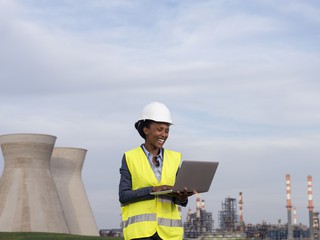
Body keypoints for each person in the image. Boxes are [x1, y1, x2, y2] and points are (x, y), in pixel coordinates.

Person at [119, 102, 194, 240]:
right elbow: (123, 196)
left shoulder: (174, 158)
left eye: (167, 130)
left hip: (169, 234)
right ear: (146, 130)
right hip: (140, 234)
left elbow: (180, 201)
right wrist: (153, 190)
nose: (164, 135)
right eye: (159, 129)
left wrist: (182, 197)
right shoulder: (130, 157)